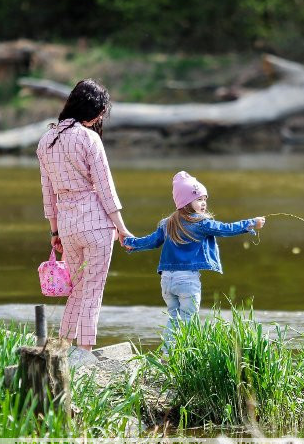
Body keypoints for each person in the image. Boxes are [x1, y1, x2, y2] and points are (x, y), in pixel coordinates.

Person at [36, 79, 133, 351]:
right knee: (92, 290)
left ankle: (64, 346)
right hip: (95, 224)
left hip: (67, 226)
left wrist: (54, 232)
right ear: (92, 110)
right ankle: (86, 351)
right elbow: (105, 188)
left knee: (77, 290)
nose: (101, 117)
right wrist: (122, 228)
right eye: (101, 112)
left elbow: (48, 194)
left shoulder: (46, 141)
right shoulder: (89, 138)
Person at [123, 171, 265, 350]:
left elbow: (150, 242)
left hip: (166, 280)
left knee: (174, 318)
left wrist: (130, 243)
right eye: (198, 199)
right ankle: (186, 354)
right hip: (187, 281)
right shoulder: (201, 223)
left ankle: (168, 354)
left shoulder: (167, 223)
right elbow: (226, 229)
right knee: (189, 318)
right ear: (184, 202)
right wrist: (251, 223)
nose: (203, 203)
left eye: (205, 198)